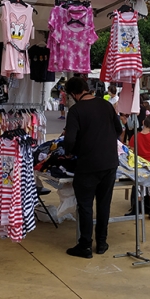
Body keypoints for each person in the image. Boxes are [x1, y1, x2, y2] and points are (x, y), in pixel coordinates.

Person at [62, 76, 123, 258]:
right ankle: (102, 243)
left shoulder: (76, 111)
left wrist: (69, 152)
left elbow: (70, 140)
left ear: (73, 93)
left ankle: (85, 246)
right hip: (110, 163)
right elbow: (118, 130)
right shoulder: (106, 105)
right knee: (104, 204)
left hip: (88, 164)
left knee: (85, 206)